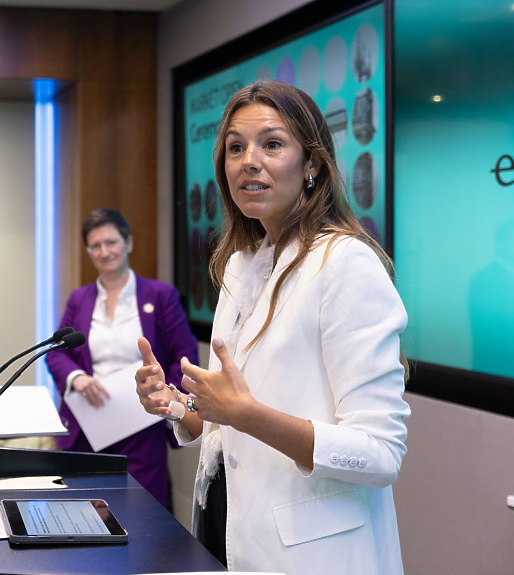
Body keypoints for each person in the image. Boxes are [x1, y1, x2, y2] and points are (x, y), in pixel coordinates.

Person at [135, 81, 410, 574]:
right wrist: (179, 405)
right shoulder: (242, 264)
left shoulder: (345, 263)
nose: (249, 161)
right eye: (236, 147)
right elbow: (225, 426)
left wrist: (245, 414)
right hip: (226, 530)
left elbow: (382, 454)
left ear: (312, 165)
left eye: (272, 144)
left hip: (313, 554)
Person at [46, 208, 198, 508]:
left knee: (143, 516)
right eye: (96, 246)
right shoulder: (80, 299)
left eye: (111, 242)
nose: (105, 251)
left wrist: (163, 393)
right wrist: (77, 378)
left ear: (128, 243)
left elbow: (184, 357)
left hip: (141, 427)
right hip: (88, 427)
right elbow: (56, 353)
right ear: (89, 251)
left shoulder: (160, 296)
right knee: (81, 515)